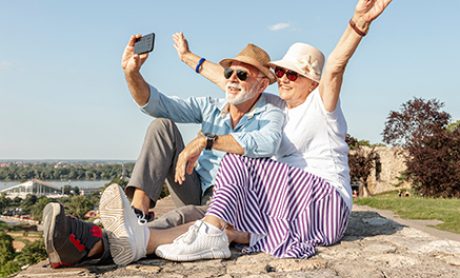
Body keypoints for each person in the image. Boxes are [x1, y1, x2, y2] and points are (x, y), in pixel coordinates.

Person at [154, 0, 393, 261]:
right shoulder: (276, 106)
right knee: (228, 210)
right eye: (280, 72)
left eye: (292, 75)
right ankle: (147, 238)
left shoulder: (321, 104)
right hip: (293, 210)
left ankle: (210, 232)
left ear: (313, 82)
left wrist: (358, 23)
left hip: (326, 203)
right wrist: (189, 58)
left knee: (236, 157)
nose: (283, 79)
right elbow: (231, 79)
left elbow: (336, 67)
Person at [42, 38, 285, 267]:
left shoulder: (270, 112)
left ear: (262, 84)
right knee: (162, 126)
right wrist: (132, 74)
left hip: (232, 200)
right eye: (228, 72)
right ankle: (137, 214)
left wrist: (207, 141)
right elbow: (156, 103)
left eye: (241, 74)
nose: (232, 79)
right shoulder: (212, 107)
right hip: (196, 185)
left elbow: (267, 142)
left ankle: (99, 244)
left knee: (185, 216)